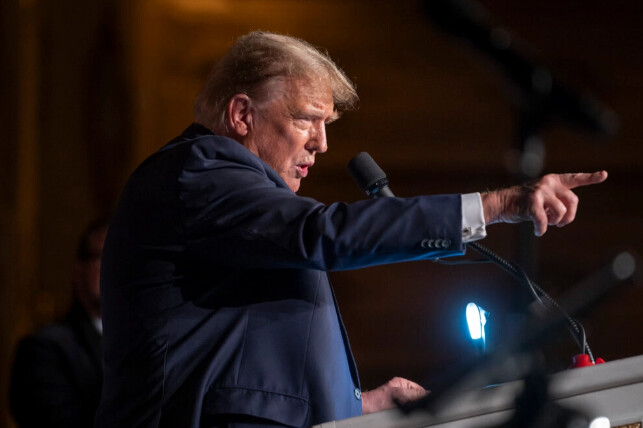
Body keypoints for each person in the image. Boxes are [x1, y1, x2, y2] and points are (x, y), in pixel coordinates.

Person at [95, 31, 607, 428]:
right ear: (241, 114)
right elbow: (322, 234)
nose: (321, 145)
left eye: (327, 126)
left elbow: (245, 351)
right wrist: (498, 204)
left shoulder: (231, 198)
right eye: (305, 120)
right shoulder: (199, 171)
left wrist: (355, 402)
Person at [9, 217, 108, 428]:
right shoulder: (44, 349)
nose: (114, 269)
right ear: (79, 268)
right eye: (103, 257)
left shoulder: (144, 344)